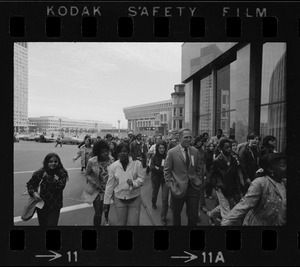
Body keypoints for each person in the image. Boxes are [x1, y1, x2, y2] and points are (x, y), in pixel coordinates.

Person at [221, 153, 286, 226]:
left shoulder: (284, 183)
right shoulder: (261, 183)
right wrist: (226, 223)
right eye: (283, 165)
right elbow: (245, 204)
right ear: (270, 169)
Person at [164, 128, 204, 226]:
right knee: (176, 215)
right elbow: (167, 171)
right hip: (178, 188)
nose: (188, 139)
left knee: (193, 215)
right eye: (186, 137)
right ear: (179, 137)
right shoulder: (172, 152)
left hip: (193, 187)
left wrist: (198, 180)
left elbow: (199, 168)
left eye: (190, 137)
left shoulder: (195, 151)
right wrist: (171, 186)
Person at [103, 142, 145, 226]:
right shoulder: (113, 166)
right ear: (117, 153)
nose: (122, 153)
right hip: (119, 200)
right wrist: (106, 202)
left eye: (125, 151)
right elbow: (110, 185)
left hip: (134, 199)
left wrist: (133, 183)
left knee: (134, 224)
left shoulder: (137, 164)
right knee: (121, 224)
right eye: (120, 151)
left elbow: (141, 179)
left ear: (128, 152)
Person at [26, 153, 68, 227]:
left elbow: (60, 187)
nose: (53, 163)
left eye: (55, 161)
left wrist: (49, 178)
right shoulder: (39, 173)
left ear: (59, 163)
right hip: (41, 204)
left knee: (52, 225)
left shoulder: (61, 173)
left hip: (55, 205)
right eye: (50, 161)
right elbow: (30, 184)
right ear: (46, 162)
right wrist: (33, 193)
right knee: (42, 224)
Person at [207, 138, 242, 225]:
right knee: (226, 210)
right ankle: (225, 224)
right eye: (227, 147)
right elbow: (211, 175)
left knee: (226, 205)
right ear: (221, 149)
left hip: (230, 186)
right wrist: (216, 185)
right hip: (220, 187)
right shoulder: (217, 160)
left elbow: (236, 175)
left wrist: (238, 188)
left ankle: (211, 214)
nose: (229, 149)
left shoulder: (234, 160)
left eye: (230, 147)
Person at [82, 140, 114, 226]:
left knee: (107, 207)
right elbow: (87, 174)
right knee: (98, 212)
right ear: (97, 152)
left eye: (106, 151)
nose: (105, 153)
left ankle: (106, 219)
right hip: (97, 190)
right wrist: (95, 184)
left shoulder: (111, 159)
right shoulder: (92, 161)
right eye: (102, 152)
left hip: (108, 190)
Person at [149, 140, 169, 225]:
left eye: (163, 148)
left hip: (165, 179)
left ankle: (163, 217)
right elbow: (151, 167)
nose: (162, 150)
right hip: (156, 178)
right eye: (160, 148)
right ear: (157, 148)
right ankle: (153, 202)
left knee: (165, 199)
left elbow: (168, 168)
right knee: (155, 194)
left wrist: (159, 169)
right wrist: (159, 169)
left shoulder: (168, 156)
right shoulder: (154, 156)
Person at [194, 136, 208, 214]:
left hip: (201, 172)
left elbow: (204, 161)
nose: (200, 142)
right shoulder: (191, 149)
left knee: (201, 189)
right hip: (193, 172)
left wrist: (204, 170)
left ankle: (202, 205)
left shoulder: (202, 151)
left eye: (201, 141)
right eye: (198, 141)